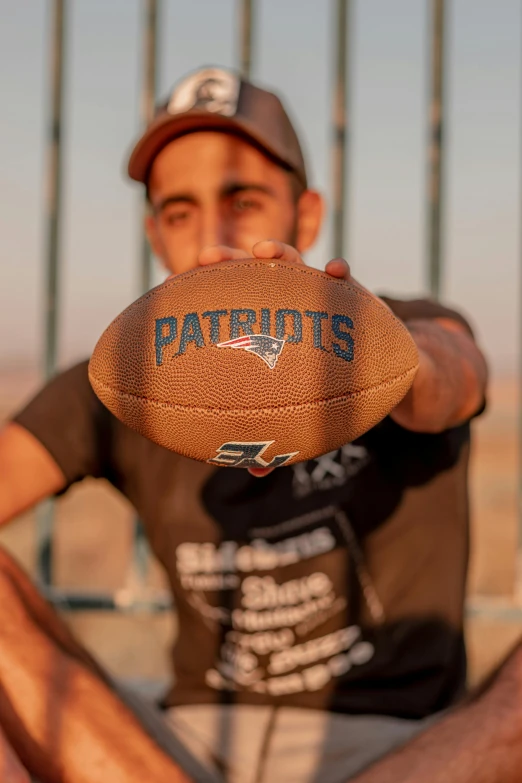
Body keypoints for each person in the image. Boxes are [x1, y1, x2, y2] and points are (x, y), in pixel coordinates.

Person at [1, 65, 510, 783]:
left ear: (304, 217)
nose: (212, 232)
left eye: (242, 200)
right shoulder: (128, 376)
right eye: (180, 212)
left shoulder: (397, 327)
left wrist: (388, 361)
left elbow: (456, 375)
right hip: (170, 755)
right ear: (155, 234)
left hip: (406, 751)